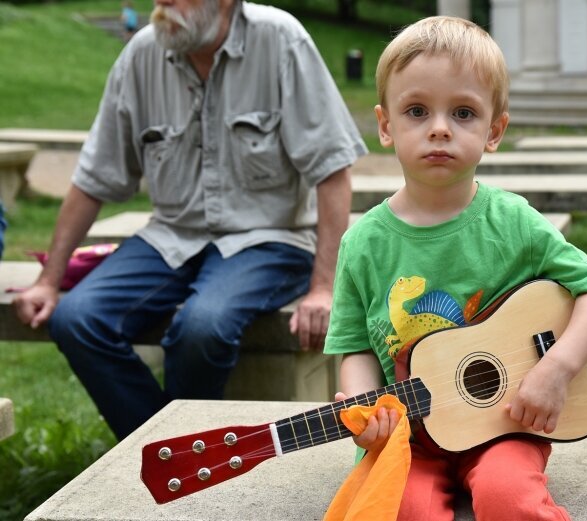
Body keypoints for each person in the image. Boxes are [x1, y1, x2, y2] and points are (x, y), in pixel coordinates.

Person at [13, 0, 366, 441]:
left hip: (270, 238)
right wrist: (49, 280)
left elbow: (333, 172)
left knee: (202, 326)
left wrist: (323, 288)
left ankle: (169, 464)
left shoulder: (281, 39)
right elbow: (94, 178)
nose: (163, 3)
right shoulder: (142, 53)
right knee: (76, 319)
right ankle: (168, 454)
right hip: (171, 237)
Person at [323, 16, 587, 520]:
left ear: (494, 130)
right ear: (385, 126)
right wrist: (362, 409)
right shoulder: (363, 243)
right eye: (416, 110)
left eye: (463, 112)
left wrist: (556, 368)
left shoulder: (513, 222)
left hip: (503, 427)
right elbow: (353, 347)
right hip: (409, 437)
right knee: (401, 511)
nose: (439, 127)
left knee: (509, 500)